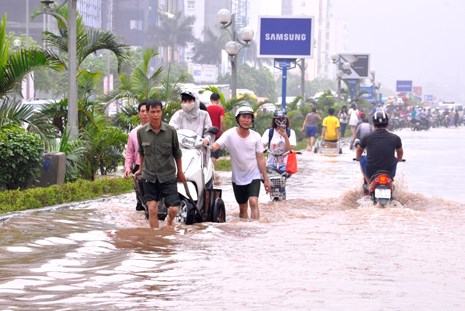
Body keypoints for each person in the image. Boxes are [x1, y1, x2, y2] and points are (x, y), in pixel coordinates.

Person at [211, 105, 271, 220]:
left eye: (249, 117)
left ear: (252, 120)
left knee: (253, 202)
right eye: (244, 117)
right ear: (238, 119)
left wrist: (266, 178)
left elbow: (260, 158)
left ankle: (255, 229)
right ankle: (244, 232)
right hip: (237, 178)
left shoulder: (256, 137)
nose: (246, 120)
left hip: (254, 175)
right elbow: (216, 145)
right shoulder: (229, 134)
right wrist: (208, 145)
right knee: (243, 208)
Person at [136, 100, 185, 229]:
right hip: (149, 176)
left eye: (158, 111)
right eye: (152, 112)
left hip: (168, 175)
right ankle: (155, 239)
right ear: (148, 112)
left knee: (174, 209)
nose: (156, 115)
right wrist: (141, 170)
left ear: (162, 112)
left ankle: (169, 221)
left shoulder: (171, 131)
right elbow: (141, 153)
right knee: (152, 209)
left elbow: (177, 153)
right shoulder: (141, 133)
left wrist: (180, 172)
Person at [355, 109, 403, 183]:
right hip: (389, 172)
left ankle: (368, 182)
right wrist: (399, 159)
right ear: (387, 124)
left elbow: (359, 150)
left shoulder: (367, 137)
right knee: (394, 160)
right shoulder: (395, 138)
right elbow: (400, 152)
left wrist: (358, 158)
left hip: (371, 172)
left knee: (362, 159)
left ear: (373, 124)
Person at [123, 102, 149, 211]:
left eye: (147, 111)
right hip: (139, 167)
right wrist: (128, 168)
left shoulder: (161, 131)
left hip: (156, 166)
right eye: (142, 111)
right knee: (141, 201)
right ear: (139, 114)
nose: (145, 113)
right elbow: (129, 153)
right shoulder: (133, 133)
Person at [206, 92, 225, 161]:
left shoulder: (206, 109)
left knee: (208, 151)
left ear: (211, 100)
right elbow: (222, 121)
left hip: (208, 133)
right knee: (215, 152)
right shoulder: (220, 109)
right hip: (217, 133)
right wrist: (222, 131)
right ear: (218, 100)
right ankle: (213, 168)